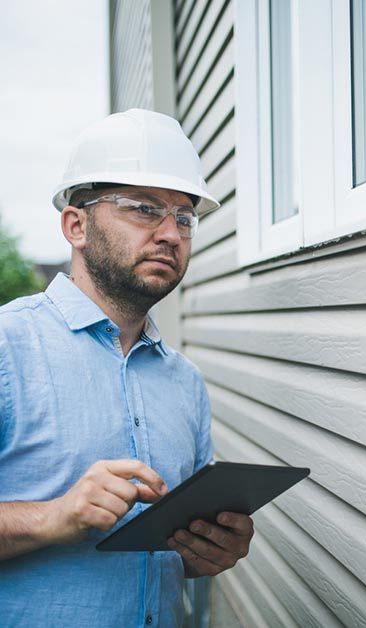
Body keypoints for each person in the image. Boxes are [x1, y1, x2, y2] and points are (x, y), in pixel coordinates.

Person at [0, 109, 253, 626]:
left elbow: (178, 558)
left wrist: (209, 551)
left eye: (184, 218)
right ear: (76, 225)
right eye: (144, 209)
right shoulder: (8, 348)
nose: (171, 234)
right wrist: (53, 517)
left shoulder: (184, 382)